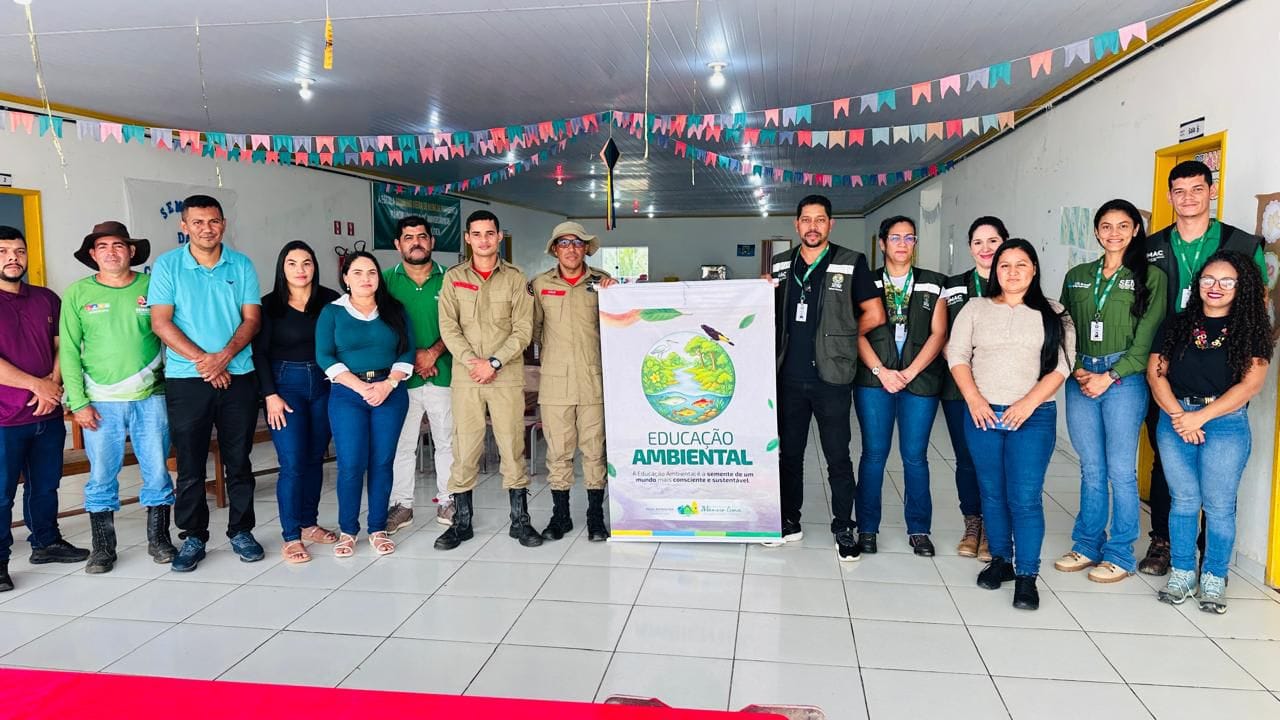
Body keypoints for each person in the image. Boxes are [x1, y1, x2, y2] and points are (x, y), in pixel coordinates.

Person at [1139, 160, 1267, 575]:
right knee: (1166, 461)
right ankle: (1163, 545)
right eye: (1179, 190)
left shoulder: (1242, 243)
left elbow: (1258, 303)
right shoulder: (1152, 246)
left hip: (1222, 372)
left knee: (1216, 483)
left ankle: (1210, 559)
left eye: (1197, 189)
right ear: (1170, 196)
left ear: (1212, 192)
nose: (1188, 197)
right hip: (1168, 369)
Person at [947, 239, 1074, 611]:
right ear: (995, 270)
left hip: (1033, 417)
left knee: (1025, 497)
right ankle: (1001, 560)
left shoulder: (1054, 312)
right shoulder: (975, 308)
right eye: (1005, 265)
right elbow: (956, 354)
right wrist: (974, 399)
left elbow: (1063, 366)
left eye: (1022, 264)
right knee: (992, 492)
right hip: (982, 414)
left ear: (1034, 269)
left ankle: (1027, 575)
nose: (1013, 272)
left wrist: (1027, 403)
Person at [1150, 251, 1272, 614]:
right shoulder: (1177, 323)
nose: (1215, 287)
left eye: (1226, 281)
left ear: (1241, 287)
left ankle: (1214, 576)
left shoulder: (1251, 328)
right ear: (1197, 284)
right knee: (1184, 501)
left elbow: (1251, 385)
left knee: (1218, 506)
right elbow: (1156, 372)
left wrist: (1200, 417)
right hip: (1176, 419)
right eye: (1208, 280)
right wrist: (1178, 416)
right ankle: (1183, 572)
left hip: (1224, 422)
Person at [148, 194, 263, 572]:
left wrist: (224, 357)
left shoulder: (241, 264)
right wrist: (205, 361)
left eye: (213, 221)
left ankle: (241, 530)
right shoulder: (167, 266)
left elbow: (251, 320)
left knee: (239, 460)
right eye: (197, 222)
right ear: (184, 226)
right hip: (187, 380)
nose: (206, 228)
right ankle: (193, 535)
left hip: (238, 377)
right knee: (191, 464)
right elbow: (161, 322)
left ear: (223, 224)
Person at [767, 194, 885, 561]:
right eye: (806, 220)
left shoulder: (852, 262)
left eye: (820, 220)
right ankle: (789, 520)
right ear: (796, 225)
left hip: (832, 376)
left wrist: (845, 338)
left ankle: (842, 527)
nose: (813, 226)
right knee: (789, 455)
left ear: (830, 224)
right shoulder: (781, 264)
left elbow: (875, 313)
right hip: (788, 376)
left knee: (838, 457)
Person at [1054, 201, 1166, 583]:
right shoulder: (1077, 275)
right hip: (1081, 375)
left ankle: (1119, 552)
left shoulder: (1150, 276)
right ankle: (1086, 544)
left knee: (1120, 469)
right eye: (1106, 226)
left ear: (1136, 229)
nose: (1113, 233)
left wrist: (1111, 374)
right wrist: (1076, 366)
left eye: (1122, 225)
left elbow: (1147, 337)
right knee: (1091, 468)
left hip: (1125, 379)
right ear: (1097, 232)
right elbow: (1065, 326)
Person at [61, 222, 177, 574]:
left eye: (119, 245)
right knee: (101, 475)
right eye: (103, 247)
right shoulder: (77, 293)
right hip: (99, 402)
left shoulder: (152, 287)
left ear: (131, 252)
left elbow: (172, 333)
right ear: (93, 255)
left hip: (151, 397)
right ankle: (103, 548)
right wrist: (78, 402)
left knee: (157, 470)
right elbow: (67, 349)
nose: (112, 252)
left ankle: (159, 540)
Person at [434, 210, 537, 550]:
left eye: (489, 234)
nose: (483, 240)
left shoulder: (516, 277)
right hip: (466, 378)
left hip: (505, 376)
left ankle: (520, 521)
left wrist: (493, 361)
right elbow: (448, 326)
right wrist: (471, 362)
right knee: (464, 448)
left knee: (512, 446)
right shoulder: (453, 277)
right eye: (476, 234)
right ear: (467, 238)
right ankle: (461, 523)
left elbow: (524, 329)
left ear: (498, 236)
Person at [0, 225, 89, 592]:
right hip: (5, 419)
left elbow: (62, 349)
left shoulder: (47, 299)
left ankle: (46, 542)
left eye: (19, 251)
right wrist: (38, 385)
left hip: (47, 415)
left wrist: (52, 385)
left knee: (46, 485)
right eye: (3, 251)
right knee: (1, 493)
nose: (12, 258)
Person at [853, 216, 948, 557]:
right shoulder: (864, 283)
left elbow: (939, 333)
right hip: (873, 380)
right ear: (882, 244)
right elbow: (855, 331)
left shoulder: (934, 283)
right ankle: (866, 528)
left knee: (915, 457)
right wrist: (881, 371)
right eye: (895, 238)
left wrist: (908, 372)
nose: (902, 244)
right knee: (874, 455)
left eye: (909, 238)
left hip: (919, 380)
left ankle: (919, 530)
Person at [316, 250, 413, 557]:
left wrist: (387, 384)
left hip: (390, 392)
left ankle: (377, 528)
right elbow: (324, 355)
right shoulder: (332, 312)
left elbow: (407, 351)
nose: (365, 278)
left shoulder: (394, 309)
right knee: (350, 465)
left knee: (382, 462)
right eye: (357, 272)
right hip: (348, 393)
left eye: (371, 272)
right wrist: (360, 386)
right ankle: (347, 531)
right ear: (345, 278)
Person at [253, 241, 341, 564]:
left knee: (315, 458)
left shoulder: (331, 301)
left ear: (315, 266)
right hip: (284, 387)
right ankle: (290, 535)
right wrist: (270, 395)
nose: (300, 270)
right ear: (282, 267)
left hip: (324, 383)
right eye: (292, 263)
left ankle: (308, 523)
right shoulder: (268, 305)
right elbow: (259, 354)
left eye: (307, 262)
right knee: (292, 462)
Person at [531, 221, 616, 543]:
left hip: (593, 381)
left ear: (586, 249)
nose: (571, 249)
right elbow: (535, 331)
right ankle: (561, 516)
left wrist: (615, 290)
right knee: (559, 453)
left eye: (577, 243)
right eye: (564, 243)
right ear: (555, 249)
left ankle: (595, 516)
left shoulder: (602, 284)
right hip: (555, 384)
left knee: (594, 452)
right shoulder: (539, 285)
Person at [940, 216, 1007, 559]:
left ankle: (995, 530)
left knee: (996, 460)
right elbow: (941, 336)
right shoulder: (951, 286)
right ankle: (973, 523)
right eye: (978, 242)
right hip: (959, 390)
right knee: (966, 459)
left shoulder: (1014, 284)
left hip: (1003, 388)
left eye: (993, 241)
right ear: (969, 248)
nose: (985, 249)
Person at [384, 216, 454, 533]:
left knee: (448, 442)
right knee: (402, 445)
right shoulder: (384, 282)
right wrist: (414, 357)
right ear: (398, 244)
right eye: (409, 237)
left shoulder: (450, 280)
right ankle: (402, 506)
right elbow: (378, 328)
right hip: (400, 379)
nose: (416, 242)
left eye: (422, 236)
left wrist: (434, 352)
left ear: (432, 242)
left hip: (444, 374)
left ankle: (450, 500)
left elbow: (462, 323)